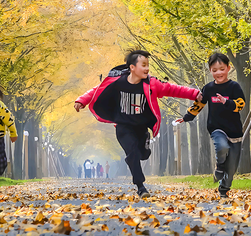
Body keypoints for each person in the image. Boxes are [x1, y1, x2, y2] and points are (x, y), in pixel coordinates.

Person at [74, 49, 202, 198]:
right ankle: (141, 186)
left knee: (143, 154)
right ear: (132, 68)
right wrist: (81, 100)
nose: (147, 68)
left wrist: (194, 94)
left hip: (141, 127)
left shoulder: (151, 84)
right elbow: (97, 90)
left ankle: (145, 144)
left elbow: (172, 89)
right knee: (132, 153)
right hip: (123, 126)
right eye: (143, 65)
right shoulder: (117, 81)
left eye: (148, 65)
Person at [178, 53, 245, 198]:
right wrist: (187, 117)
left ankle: (224, 188)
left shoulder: (234, 87)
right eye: (214, 70)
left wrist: (227, 102)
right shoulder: (208, 88)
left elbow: (241, 104)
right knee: (221, 146)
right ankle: (220, 166)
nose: (218, 73)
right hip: (216, 127)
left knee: (232, 168)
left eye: (221, 69)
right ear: (210, 71)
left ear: (228, 68)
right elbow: (199, 104)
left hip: (235, 130)